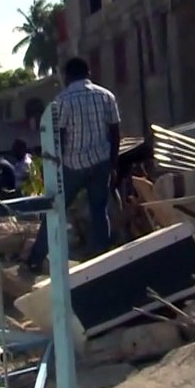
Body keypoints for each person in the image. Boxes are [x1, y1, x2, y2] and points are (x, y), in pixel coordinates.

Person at [25, 57, 121, 271]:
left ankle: (35, 258)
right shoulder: (107, 96)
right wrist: (112, 164)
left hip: (73, 165)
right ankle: (103, 260)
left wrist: (53, 167)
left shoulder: (62, 101)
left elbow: (58, 136)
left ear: (67, 76)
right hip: (101, 162)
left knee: (56, 210)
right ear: (88, 73)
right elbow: (115, 133)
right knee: (99, 210)